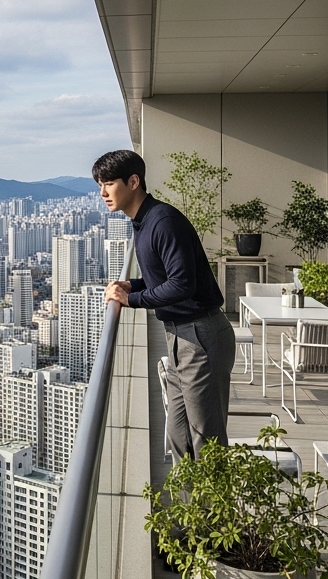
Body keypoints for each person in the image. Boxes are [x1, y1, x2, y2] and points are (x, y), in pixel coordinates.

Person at [95, 149, 235, 460]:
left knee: (206, 441)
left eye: (109, 184)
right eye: (100, 185)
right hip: (179, 336)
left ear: (134, 182)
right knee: (178, 437)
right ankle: (191, 507)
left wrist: (131, 299)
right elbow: (168, 278)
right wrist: (135, 284)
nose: (103, 193)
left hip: (200, 334)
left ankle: (213, 509)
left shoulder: (163, 221)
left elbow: (183, 286)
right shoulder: (142, 222)